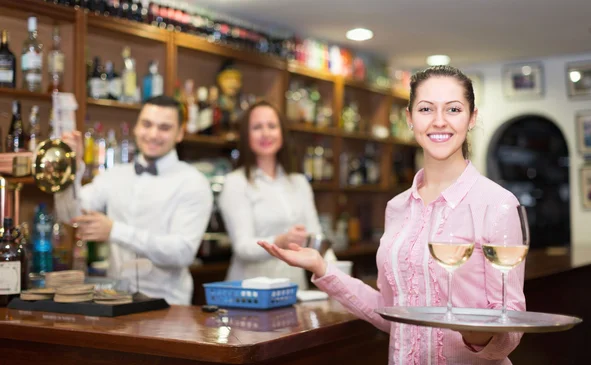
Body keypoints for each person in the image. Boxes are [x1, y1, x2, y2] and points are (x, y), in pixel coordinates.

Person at [258, 66, 526, 364]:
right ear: (410, 119)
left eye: (453, 109)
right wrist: (323, 269)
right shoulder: (397, 207)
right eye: (426, 109)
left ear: (472, 117)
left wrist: (475, 333)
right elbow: (392, 314)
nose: (439, 121)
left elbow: (511, 332)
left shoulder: (498, 204)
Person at [54, 95, 213, 305]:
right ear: (136, 127)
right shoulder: (114, 176)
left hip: (169, 305)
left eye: (164, 127)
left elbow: (182, 252)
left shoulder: (193, 182)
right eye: (147, 124)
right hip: (114, 300)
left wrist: (115, 231)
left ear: (180, 133)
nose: (153, 134)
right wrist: (71, 167)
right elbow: (70, 214)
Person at [218, 100, 335, 290]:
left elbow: (314, 236)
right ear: (246, 135)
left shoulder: (299, 182)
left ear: (282, 133)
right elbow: (242, 248)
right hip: (250, 294)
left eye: (272, 126)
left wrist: (337, 272)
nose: (265, 133)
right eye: (257, 127)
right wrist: (279, 242)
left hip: (294, 290)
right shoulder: (236, 182)